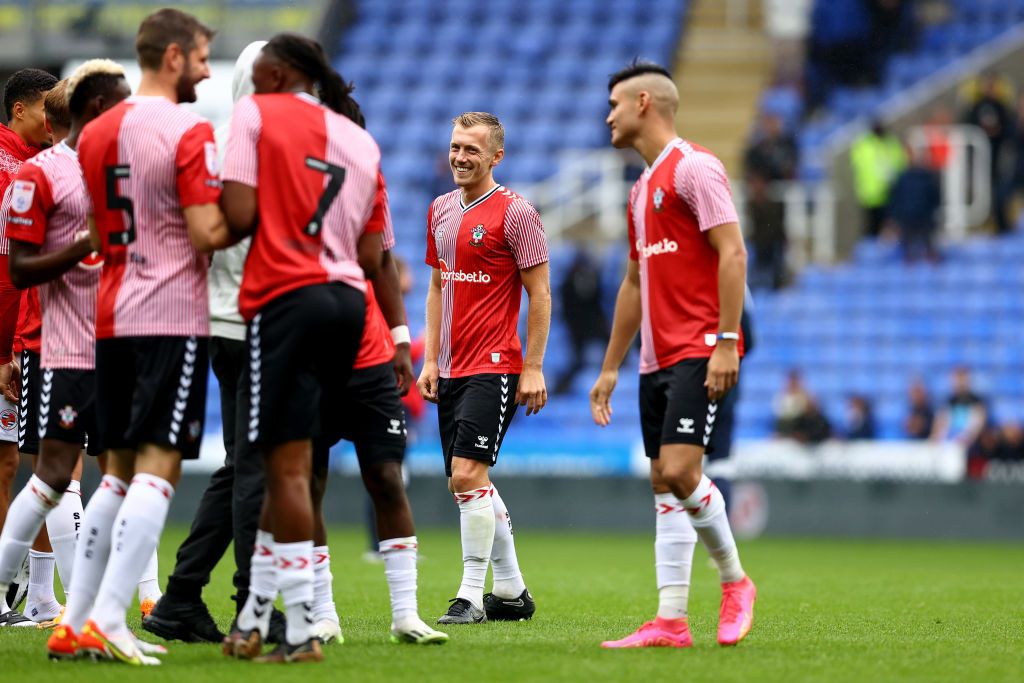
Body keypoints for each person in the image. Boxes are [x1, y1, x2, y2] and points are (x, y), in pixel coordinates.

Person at [217, 33, 402, 663]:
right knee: (287, 467)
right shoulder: (357, 138)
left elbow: (238, 216)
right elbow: (367, 249)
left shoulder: (253, 113)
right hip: (348, 303)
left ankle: (299, 631)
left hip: (285, 299)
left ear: (274, 71)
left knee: (289, 469)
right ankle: (252, 617)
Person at [68, 8, 228, 665]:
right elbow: (206, 232)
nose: (206, 69)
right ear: (172, 58)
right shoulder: (188, 131)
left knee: (114, 471)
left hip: (111, 313)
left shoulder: (96, 134)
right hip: (170, 314)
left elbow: (100, 233)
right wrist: (261, 212)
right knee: (160, 463)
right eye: (199, 58)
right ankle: (108, 615)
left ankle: (75, 620)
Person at [590, 61, 756, 649]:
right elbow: (634, 283)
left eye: (613, 103)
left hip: (696, 350)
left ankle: (736, 583)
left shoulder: (697, 168)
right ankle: (671, 621)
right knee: (663, 481)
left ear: (642, 103)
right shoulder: (639, 191)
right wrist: (611, 366)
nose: (606, 115)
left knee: (684, 471)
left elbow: (732, 254)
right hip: (653, 361)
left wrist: (726, 341)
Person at [142, 39, 280, 648]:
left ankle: (179, 597)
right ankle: (255, 605)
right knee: (257, 467)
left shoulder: (213, 141)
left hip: (217, 320)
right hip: (253, 321)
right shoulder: (263, 148)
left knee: (242, 464)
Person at [0, 64, 130, 651]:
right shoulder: (35, 174)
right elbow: (19, 269)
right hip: (59, 349)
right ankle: (64, 610)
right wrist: (85, 244)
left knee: (109, 474)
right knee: (53, 478)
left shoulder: (115, 174)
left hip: (115, 346)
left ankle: (77, 612)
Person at [416, 111, 550, 625]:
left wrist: (532, 366)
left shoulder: (516, 212)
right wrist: (429, 357)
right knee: (467, 481)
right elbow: (436, 286)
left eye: (472, 149)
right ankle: (512, 593)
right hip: (448, 366)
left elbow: (539, 293)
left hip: (494, 364)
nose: (460, 157)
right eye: (455, 147)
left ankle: (471, 595)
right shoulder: (439, 210)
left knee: (467, 474)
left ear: (496, 156)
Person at [0, 67, 58, 627]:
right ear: (20, 110)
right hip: (8, 348)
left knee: (27, 463)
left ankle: (40, 595)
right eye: (47, 108)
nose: (54, 118)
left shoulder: (33, 166)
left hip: (22, 343)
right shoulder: (6, 166)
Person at [553, 247, 607, 395]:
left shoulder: (594, 280)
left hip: (594, 326)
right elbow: (566, 312)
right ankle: (561, 389)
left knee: (614, 347)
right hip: (575, 331)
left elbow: (597, 305)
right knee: (575, 361)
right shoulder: (567, 285)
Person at [850, 120, 907, 238]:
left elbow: (901, 163)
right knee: (872, 226)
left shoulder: (892, 143)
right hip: (871, 194)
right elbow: (860, 165)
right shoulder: (864, 145)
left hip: (891, 192)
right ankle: (871, 252)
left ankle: (885, 252)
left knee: (891, 227)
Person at [885, 147, 941, 263]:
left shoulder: (928, 178)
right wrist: (893, 219)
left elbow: (935, 199)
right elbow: (895, 199)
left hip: (925, 219)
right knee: (907, 251)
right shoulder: (902, 178)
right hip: (906, 219)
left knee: (929, 248)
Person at [931, 367, 987, 446]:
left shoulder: (977, 403)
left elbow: (977, 428)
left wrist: (965, 439)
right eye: (957, 379)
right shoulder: (947, 403)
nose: (960, 382)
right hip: (948, 444)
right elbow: (938, 428)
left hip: (968, 445)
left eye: (962, 378)